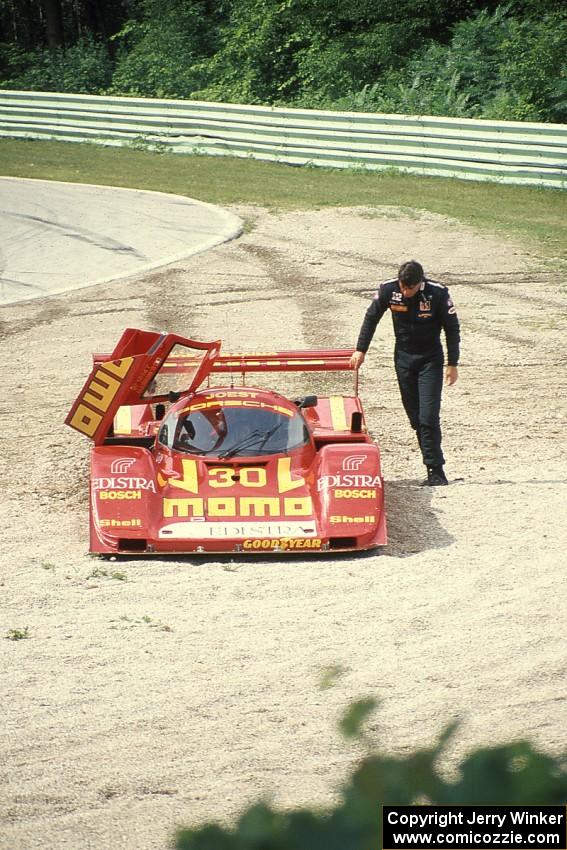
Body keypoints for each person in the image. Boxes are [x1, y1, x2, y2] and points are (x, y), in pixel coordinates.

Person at [350, 260, 460, 486]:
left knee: (428, 416)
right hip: (403, 358)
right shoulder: (389, 290)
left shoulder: (437, 293)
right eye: (403, 286)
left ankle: (435, 469)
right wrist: (361, 349)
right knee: (415, 418)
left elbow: (452, 327)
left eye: (410, 288)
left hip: (430, 359)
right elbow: (371, 317)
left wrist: (453, 363)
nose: (405, 291)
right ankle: (429, 460)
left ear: (420, 283)